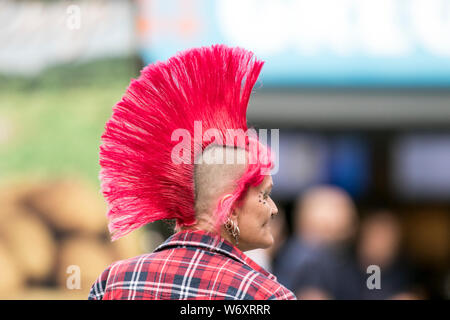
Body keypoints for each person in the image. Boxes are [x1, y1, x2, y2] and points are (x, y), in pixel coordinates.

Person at [88, 45, 296, 300]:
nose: (274, 209)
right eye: (264, 195)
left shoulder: (115, 282)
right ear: (228, 209)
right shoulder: (266, 295)